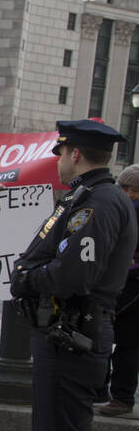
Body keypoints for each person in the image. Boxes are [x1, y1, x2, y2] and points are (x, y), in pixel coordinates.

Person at [0, 119, 137, 431]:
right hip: (62, 333)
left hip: (74, 334)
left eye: (62, 152)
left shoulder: (100, 202)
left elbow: (75, 272)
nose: (57, 159)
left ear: (75, 153)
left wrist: (27, 279)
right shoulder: (88, 196)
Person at [96, 164, 139, 415]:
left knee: (125, 343)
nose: (130, 194)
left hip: (131, 285)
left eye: (135, 190)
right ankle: (109, 392)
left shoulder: (126, 209)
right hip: (120, 282)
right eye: (125, 187)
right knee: (113, 340)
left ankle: (120, 396)